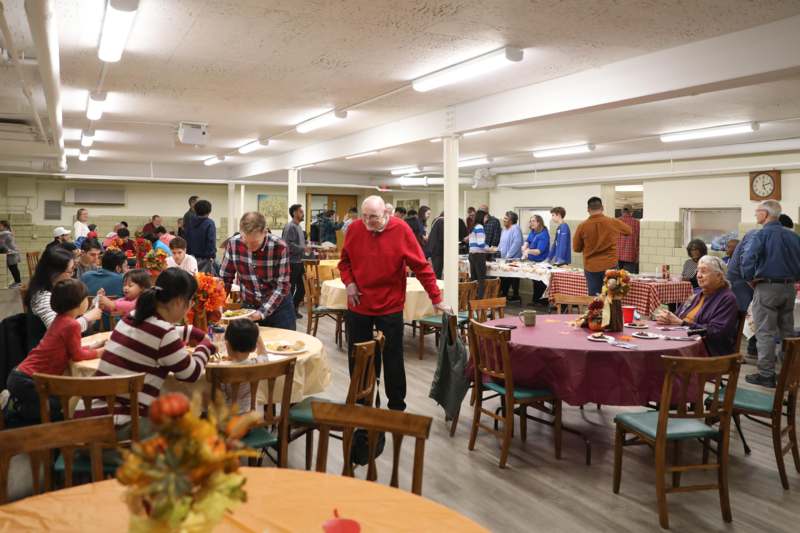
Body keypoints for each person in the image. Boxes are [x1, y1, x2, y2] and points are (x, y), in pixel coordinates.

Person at [339, 195, 446, 411]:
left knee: (393, 357)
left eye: (374, 217)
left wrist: (436, 298)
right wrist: (349, 282)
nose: (368, 222)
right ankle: (363, 402)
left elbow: (421, 266)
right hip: (359, 304)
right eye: (365, 216)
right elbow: (345, 262)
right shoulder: (355, 229)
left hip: (389, 304)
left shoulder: (401, 230)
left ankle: (397, 405)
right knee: (360, 356)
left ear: (386, 214)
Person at [85, 268, 215, 434]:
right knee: (188, 427)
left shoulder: (133, 316)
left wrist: (189, 331)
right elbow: (191, 373)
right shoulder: (164, 333)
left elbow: (152, 334)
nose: (190, 307)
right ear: (178, 302)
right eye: (190, 302)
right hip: (118, 429)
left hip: (89, 421)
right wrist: (205, 345)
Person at [6, 279, 104, 424]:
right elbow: (77, 356)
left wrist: (92, 347)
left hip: (20, 376)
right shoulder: (71, 324)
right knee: (60, 407)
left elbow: (71, 349)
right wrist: (100, 352)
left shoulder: (61, 319)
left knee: (55, 407)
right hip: (29, 381)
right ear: (79, 303)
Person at [741, 200, 800, 388]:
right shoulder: (793, 237)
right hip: (789, 288)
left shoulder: (761, 235)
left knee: (765, 332)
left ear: (765, 215)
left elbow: (748, 259)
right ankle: (790, 373)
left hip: (766, 287)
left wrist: (749, 278)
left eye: (757, 211)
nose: (755, 215)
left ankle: (766, 374)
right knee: (787, 332)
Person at [220, 212, 295, 330]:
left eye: (254, 243)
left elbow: (282, 286)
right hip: (249, 307)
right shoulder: (233, 244)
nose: (249, 248)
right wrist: (218, 304)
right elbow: (225, 278)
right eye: (245, 242)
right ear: (240, 232)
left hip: (278, 307)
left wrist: (261, 313)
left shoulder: (280, 247)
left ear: (265, 232)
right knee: (250, 347)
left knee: (283, 344)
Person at [655, 256, 739, 356]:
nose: (698, 275)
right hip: (682, 342)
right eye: (698, 271)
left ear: (719, 276)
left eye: (703, 271)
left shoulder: (727, 299)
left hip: (706, 351)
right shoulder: (696, 293)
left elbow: (717, 332)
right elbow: (678, 317)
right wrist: (668, 318)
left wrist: (681, 323)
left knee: (659, 356)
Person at [23, 247, 102, 351]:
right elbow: (59, 332)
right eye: (70, 271)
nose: (72, 275)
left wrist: (91, 310)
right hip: (48, 355)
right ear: (54, 272)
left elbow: (67, 320)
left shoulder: (57, 289)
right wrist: (87, 318)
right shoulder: (42, 296)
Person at [573, 197, 632, 296]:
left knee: (595, 299)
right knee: (612, 297)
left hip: (591, 267)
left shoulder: (582, 226)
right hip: (610, 266)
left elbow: (576, 248)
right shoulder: (612, 222)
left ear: (588, 209)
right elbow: (628, 231)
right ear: (602, 208)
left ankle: (597, 312)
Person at [221, 319, 270, 413]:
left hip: (229, 417)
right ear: (254, 348)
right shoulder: (257, 364)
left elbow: (219, 396)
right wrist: (258, 337)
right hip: (252, 413)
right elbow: (264, 355)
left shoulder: (222, 371)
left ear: (227, 345)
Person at [282, 204, 307, 319]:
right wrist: (303, 248)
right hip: (291, 262)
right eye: (301, 212)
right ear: (295, 213)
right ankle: (289, 311)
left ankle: (293, 309)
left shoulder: (298, 227)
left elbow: (298, 244)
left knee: (302, 289)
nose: (303, 214)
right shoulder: (290, 227)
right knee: (290, 289)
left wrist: (305, 247)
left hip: (299, 261)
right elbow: (288, 245)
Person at [428, 211, 468, 279]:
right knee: (437, 272)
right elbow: (444, 238)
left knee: (437, 272)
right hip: (438, 251)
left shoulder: (437, 220)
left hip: (435, 250)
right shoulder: (442, 221)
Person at [522, 214, 550, 304]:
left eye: (533, 221)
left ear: (539, 222)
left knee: (540, 282)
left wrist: (528, 251)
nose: (531, 223)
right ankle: (535, 300)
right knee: (535, 281)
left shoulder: (544, 234)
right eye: (530, 221)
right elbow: (528, 240)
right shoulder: (533, 231)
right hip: (533, 261)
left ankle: (542, 301)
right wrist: (525, 246)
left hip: (541, 261)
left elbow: (539, 251)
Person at [498, 211, 523, 302]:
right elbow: (501, 242)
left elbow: (517, 243)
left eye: (506, 219)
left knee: (511, 278)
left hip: (513, 259)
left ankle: (513, 296)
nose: (503, 220)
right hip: (504, 259)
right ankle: (504, 294)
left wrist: (508, 255)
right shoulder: (504, 229)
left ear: (511, 220)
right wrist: (498, 250)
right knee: (504, 277)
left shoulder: (516, 228)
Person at [186, 199, 216, 273]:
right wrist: (212, 256)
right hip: (205, 258)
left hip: (191, 257)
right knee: (204, 281)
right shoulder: (209, 223)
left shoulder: (190, 222)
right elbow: (211, 241)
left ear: (195, 210)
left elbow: (186, 238)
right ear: (209, 211)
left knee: (192, 279)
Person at [468, 210, 489, 298]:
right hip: (478, 256)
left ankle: (472, 299)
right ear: (482, 217)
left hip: (472, 255)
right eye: (486, 217)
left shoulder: (474, 226)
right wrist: (490, 248)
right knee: (481, 280)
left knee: (474, 279)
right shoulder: (480, 227)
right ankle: (480, 300)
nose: (486, 219)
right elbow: (481, 244)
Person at [617, 204, 640, 273]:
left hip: (616, 256)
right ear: (631, 212)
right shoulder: (637, 223)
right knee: (627, 279)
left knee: (616, 279)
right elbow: (639, 240)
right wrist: (638, 255)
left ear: (622, 211)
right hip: (630, 256)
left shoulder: (616, 222)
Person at [0, 220, 22, 288]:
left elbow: (1, 244)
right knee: (14, 268)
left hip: (11, 253)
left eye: (0, 225)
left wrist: (8, 250)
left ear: (4, 226)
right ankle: (17, 282)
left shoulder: (4, 234)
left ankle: (18, 282)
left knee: (13, 268)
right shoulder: (7, 233)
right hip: (13, 252)